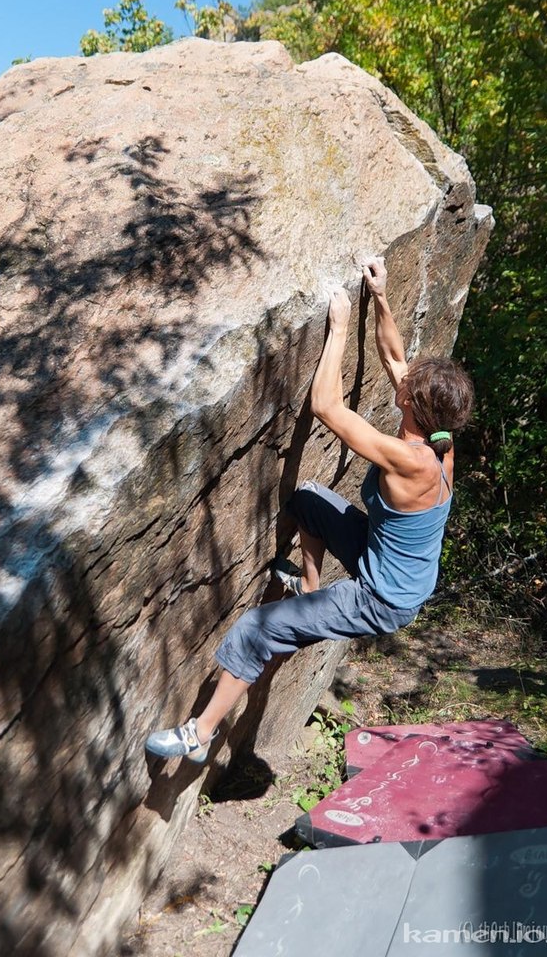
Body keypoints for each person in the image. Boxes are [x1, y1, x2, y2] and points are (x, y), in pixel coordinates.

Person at [145, 257, 474, 764]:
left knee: (258, 629)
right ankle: (311, 586)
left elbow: (327, 408)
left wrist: (338, 329)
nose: (401, 379)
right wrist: (381, 296)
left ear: (411, 404)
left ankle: (198, 734)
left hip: (381, 597)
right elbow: (393, 354)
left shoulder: (411, 462)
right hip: (392, 564)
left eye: (407, 386)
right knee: (309, 501)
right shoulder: (441, 440)